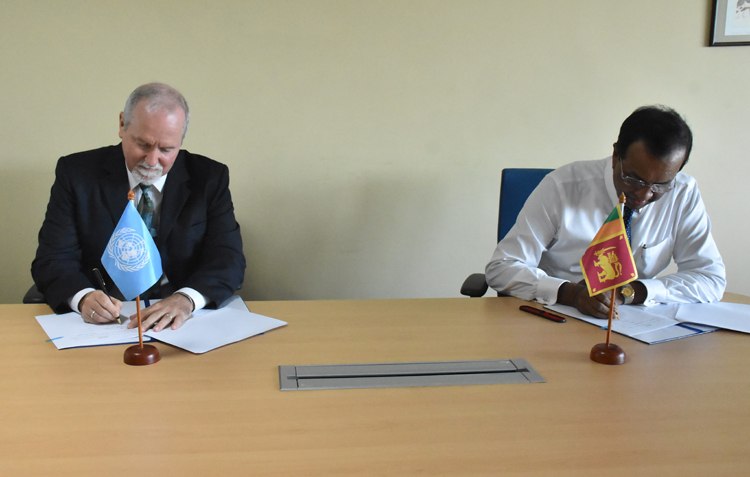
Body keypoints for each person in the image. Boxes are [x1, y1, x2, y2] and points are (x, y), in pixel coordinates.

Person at [32, 83, 245, 331]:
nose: (152, 161)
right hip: (105, 320)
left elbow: (228, 259)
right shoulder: (76, 174)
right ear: (122, 124)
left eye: (167, 149)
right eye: (143, 144)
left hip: (180, 320)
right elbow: (53, 259)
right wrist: (83, 298)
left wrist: (186, 299)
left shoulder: (209, 178)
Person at [485, 105, 725, 319]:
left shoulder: (683, 193)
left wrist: (630, 291)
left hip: (636, 323)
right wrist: (572, 294)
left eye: (660, 185)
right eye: (634, 179)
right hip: (556, 316)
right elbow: (502, 268)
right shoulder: (562, 187)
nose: (644, 195)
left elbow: (710, 278)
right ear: (615, 156)